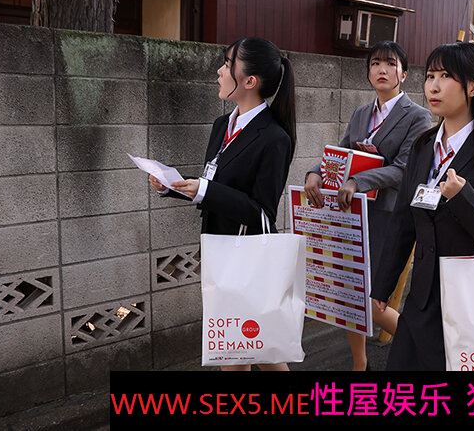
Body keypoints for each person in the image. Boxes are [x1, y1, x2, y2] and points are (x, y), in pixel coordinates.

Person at [149, 37, 296, 372]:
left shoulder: (275, 138)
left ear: (250, 81)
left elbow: (262, 214)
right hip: (219, 250)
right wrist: (172, 186)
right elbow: (214, 183)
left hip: (249, 259)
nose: (219, 71)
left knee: (240, 354)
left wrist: (204, 189)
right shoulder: (222, 125)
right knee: (258, 352)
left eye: (228, 64)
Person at [370, 42, 474, 371]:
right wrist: (384, 283)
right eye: (430, 76)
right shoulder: (423, 145)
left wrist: (462, 197)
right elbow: (403, 222)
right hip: (422, 296)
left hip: (469, 300)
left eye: (446, 77)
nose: (433, 87)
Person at [303, 41, 432, 371]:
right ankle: (360, 366)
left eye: (390, 63)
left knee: (371, 298)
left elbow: (405, 169)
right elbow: (340, 153)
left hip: (389, 217)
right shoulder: (362, 113)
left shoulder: (418, 116)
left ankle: (427, 354)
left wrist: (359, 179)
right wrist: (315, 172)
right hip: (353, 214)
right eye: (375, 64)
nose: (382, 70)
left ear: (404, 73)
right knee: (350, 294)